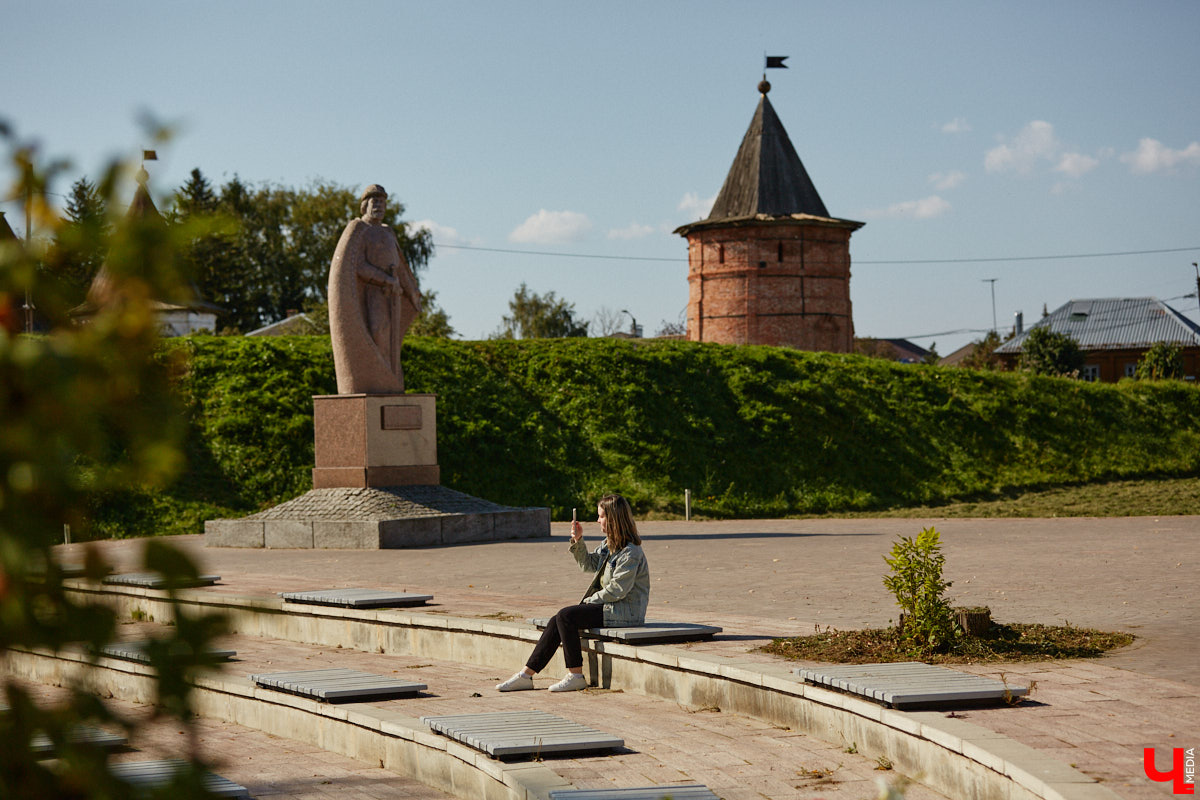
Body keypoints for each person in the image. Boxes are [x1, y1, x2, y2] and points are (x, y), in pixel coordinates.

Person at [496, 494, 649, 692]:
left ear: (613, 519)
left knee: (566, 616)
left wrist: (589, 602)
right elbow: (588, 565)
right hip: (610, 607)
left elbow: (618, 590)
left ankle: (575, 675)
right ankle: (526, 675)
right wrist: (578, 540)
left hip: (625, 612)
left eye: (601, 516)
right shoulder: (610, 544)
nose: (598, 520)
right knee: (558, 619)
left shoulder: (630, 552)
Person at [327, 184, 421, 394]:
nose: (379, 206)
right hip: (374, 293)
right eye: (375, 201)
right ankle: (377, 379)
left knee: (391, 340)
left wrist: (411, 291)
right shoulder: (359, 230)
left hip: (394, 295)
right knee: (379, 332)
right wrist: (385, 279)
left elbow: (400, 266)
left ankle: (389, 381)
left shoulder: (387, 232)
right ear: (365, 205)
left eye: (382, 202)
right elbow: (357, 265)